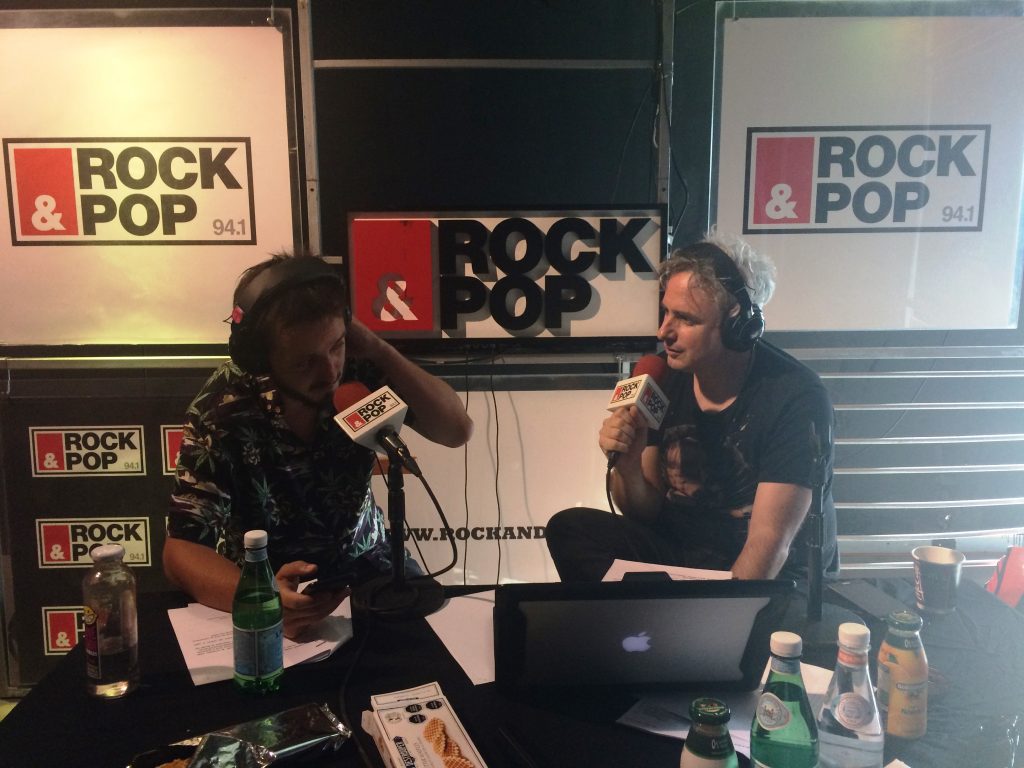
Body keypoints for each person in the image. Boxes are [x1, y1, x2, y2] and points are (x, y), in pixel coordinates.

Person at [164, 254, 473, 637]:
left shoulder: (359, 370)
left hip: (371, 564)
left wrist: (378, 349)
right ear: (262, 359)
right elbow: (181, 549)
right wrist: (257, 598)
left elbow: (456, 430)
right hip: (267, 580)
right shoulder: (223, 409)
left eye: (336, 346)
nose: (329, 372)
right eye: (304, 363)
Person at [545, 232, 837, 582]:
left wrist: (715, 614)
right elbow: (644, 512)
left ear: (737, 326)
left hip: (772, 577)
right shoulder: (661, 377)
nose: (663, 331)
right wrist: (628, 467)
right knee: (571, 530)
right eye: (666, 312)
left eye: (685, 319)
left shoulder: (795, 396)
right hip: (686, 553)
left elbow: (770, 544)